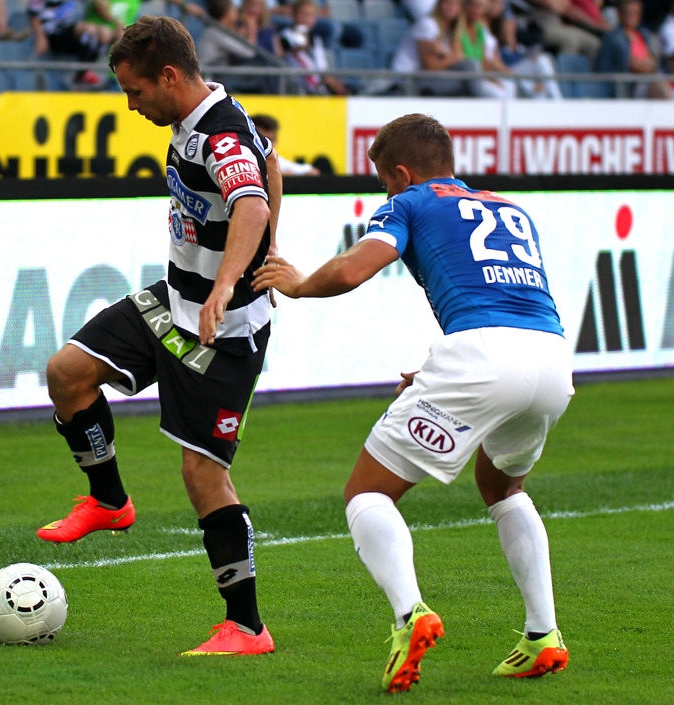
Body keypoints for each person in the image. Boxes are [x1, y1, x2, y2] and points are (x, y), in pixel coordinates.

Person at [252, 113, 572, 692]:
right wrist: (435, 371)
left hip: (480, 360)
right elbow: (504, 299)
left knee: (366, 493)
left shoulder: (411, 202)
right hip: (551, 360)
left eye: (383, 181)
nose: (385, 191)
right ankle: (543, 636)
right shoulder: (509, 208)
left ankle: (409, 616)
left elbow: (353, 270)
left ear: (400, 173)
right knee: (503, 488)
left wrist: (296, 284)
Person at [36, 15, 283, 657]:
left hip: (223, 328)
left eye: (135, 91)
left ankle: (248, 627)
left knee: (203, 476)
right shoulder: (198, 120)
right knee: (66, 373)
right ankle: (109, 500)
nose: (130, 104)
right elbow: (273, 170)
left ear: (169, 76)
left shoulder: (221, 136)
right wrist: (263, 251)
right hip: (171, 302)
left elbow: (252, 201)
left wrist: (231, 281)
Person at [459, 0, 563, 97]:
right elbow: (488, 63)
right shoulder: (473, 27)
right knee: (510, 90)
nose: (500, 6)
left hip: (499, 69)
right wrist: (528, 84)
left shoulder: (487, 26)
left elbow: (507, 51)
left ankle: (558, 103)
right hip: (483, 73)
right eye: (495, 2)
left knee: (542, 63)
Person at [388, 0, 481, 96]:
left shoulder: (451, 30)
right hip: (409, 79)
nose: (451, 7)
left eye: (456, 4)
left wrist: (451, 55)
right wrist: (453, 57)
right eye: (448, 3)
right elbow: (430, 66)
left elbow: (458, 55)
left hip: (428, 77)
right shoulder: (428, 25)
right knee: (465, 80)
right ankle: (484, 101)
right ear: (440, 5)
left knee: (470, 67)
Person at [28, 0, 122, 87]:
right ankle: (82, 73)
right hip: (52, 32)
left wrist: (116, 22)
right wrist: (40, 37)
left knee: (104, 32)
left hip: (69, 31)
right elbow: (33, 14)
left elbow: (100, 4)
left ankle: (85, 71)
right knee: (89, 29)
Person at [595, 0, 671, 97]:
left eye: (636, 13)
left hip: (647, 81)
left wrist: (643, 65)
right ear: (620, 14)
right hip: (628, 86)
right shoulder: (613, 38)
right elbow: (626, 64)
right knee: (661, 89)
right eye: (629, 13)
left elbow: (653, 62)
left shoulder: (645, 35)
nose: (632, 17)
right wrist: (643, 65)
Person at [279, 0, 350, 94]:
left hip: (317, 85)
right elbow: (287, 54)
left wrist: (328, 78)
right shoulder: (286, 36)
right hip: (296, 85)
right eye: (303, 14)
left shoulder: (316, 40)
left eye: (311, 15)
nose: (307, 19)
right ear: (294, 15)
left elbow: (321, 64)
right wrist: (300, 47)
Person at [251, 113, 321, 175]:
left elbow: (311, 171)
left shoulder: (276, 161)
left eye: (270, 140)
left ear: (276, 141)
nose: (266, 145)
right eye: (262, 141)